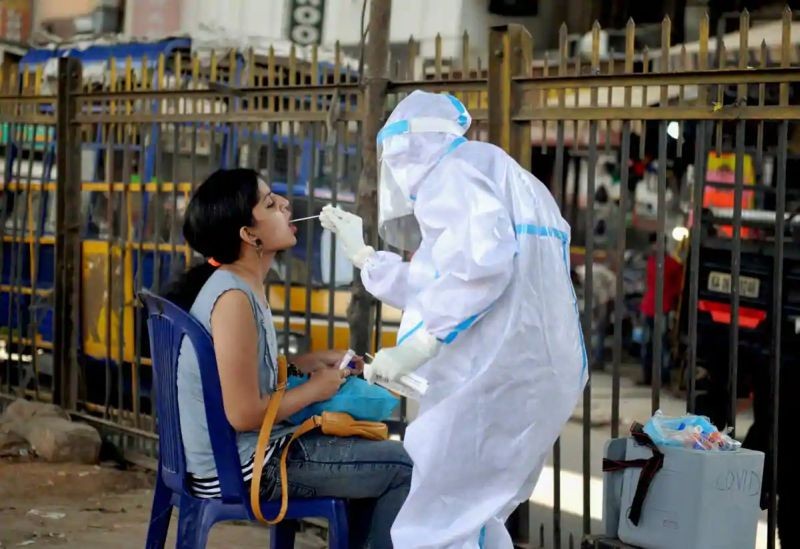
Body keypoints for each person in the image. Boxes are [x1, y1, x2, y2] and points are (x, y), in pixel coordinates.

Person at [320, 91, 586, 548]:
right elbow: (442, 280)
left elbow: (482, 268)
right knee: (474, 515)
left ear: (410, 148)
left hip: (497, 373)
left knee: (439, 517)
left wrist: (419, 346)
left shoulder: (453, 175)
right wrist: (365, 257)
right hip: (534, 370)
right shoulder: (494, 172)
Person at [163, 168, 411, 549]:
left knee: (380, 459)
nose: (285, 205)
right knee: (399, 467)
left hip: (243, 453)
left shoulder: (239, 285)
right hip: (243, 467)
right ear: (249, 235)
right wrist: (315, 389)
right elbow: (245, 413)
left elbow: (248, 376)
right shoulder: (233, 299)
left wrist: (311, 362)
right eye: (269, 203)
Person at [639, 232, 683, 386]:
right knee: (648, 344)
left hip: (663, 309)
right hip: (649, 307)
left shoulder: (673, 265)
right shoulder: (651, 261)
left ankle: (663, 377)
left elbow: (678, 289)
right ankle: (648, 376)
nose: (655, 247)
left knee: (662, 345)